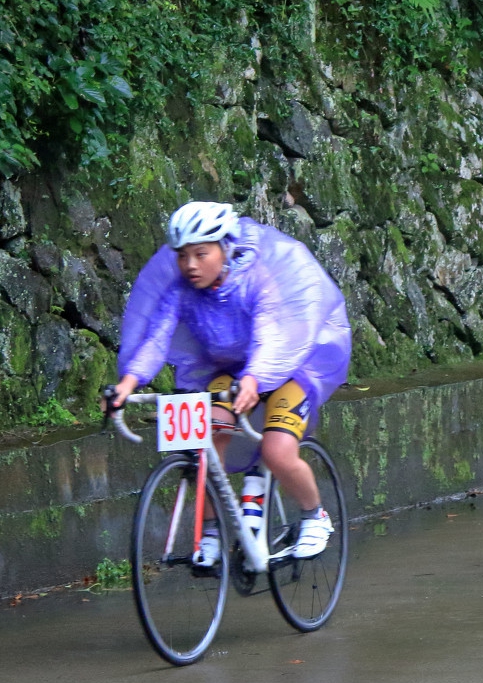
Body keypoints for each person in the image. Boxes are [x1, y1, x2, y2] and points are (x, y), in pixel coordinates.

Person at [108, 201, 352, 564]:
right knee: (203, 443)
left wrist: (255, 378)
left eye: (201, 254)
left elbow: (272, 334)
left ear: (225, 248)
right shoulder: (180, 292)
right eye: (182, 256)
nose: (190, 265)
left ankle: (314, 515)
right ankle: (210, 533)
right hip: (231, 372)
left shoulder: (256, 279)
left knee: (277, 452)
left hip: (288, 368)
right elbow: (155, 341)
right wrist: (127, 386)